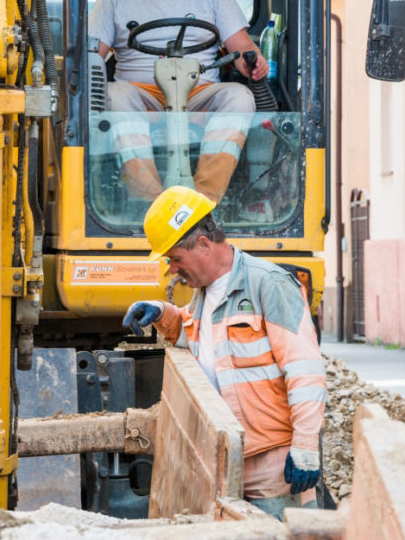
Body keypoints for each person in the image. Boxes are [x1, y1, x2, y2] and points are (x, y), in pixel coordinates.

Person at [122, 186, 326, 521]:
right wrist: (162, 313)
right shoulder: (205, 294)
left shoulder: (269, 284)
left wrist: (305, 446)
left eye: (175, 258)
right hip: (226, 461)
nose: (173, 269)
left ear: (203, 245)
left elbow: (306, 372)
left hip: (273, 467)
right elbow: (201, 338)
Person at [88, 0, 269, 203]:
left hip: (198, 94)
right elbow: (92, 56)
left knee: (239, 97)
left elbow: (242, 46)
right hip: (141, 96)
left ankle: (203, 201)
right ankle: (151, 203)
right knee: (115, 95)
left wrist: (253, 62)